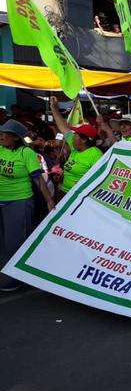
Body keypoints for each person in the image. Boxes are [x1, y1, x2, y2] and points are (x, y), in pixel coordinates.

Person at [0, 119, 55, 291]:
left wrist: (49, 200)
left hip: (19, 201)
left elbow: (38, 179)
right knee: (3, 241)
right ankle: (12, 270)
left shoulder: (26, 153)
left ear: (15, 137)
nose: (1, 136)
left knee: (14, 241)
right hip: (1, 200)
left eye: (4, 133)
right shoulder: (1, 149)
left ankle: (17, 277)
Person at [50, 97, 103, 198]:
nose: (72, 136)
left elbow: (100, 179)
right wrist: (54, 108)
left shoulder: (95, 154)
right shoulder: (76, 147)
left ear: (83, 140)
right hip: (63, 192)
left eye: (76, 135)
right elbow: (63, 127)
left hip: (79, 197)